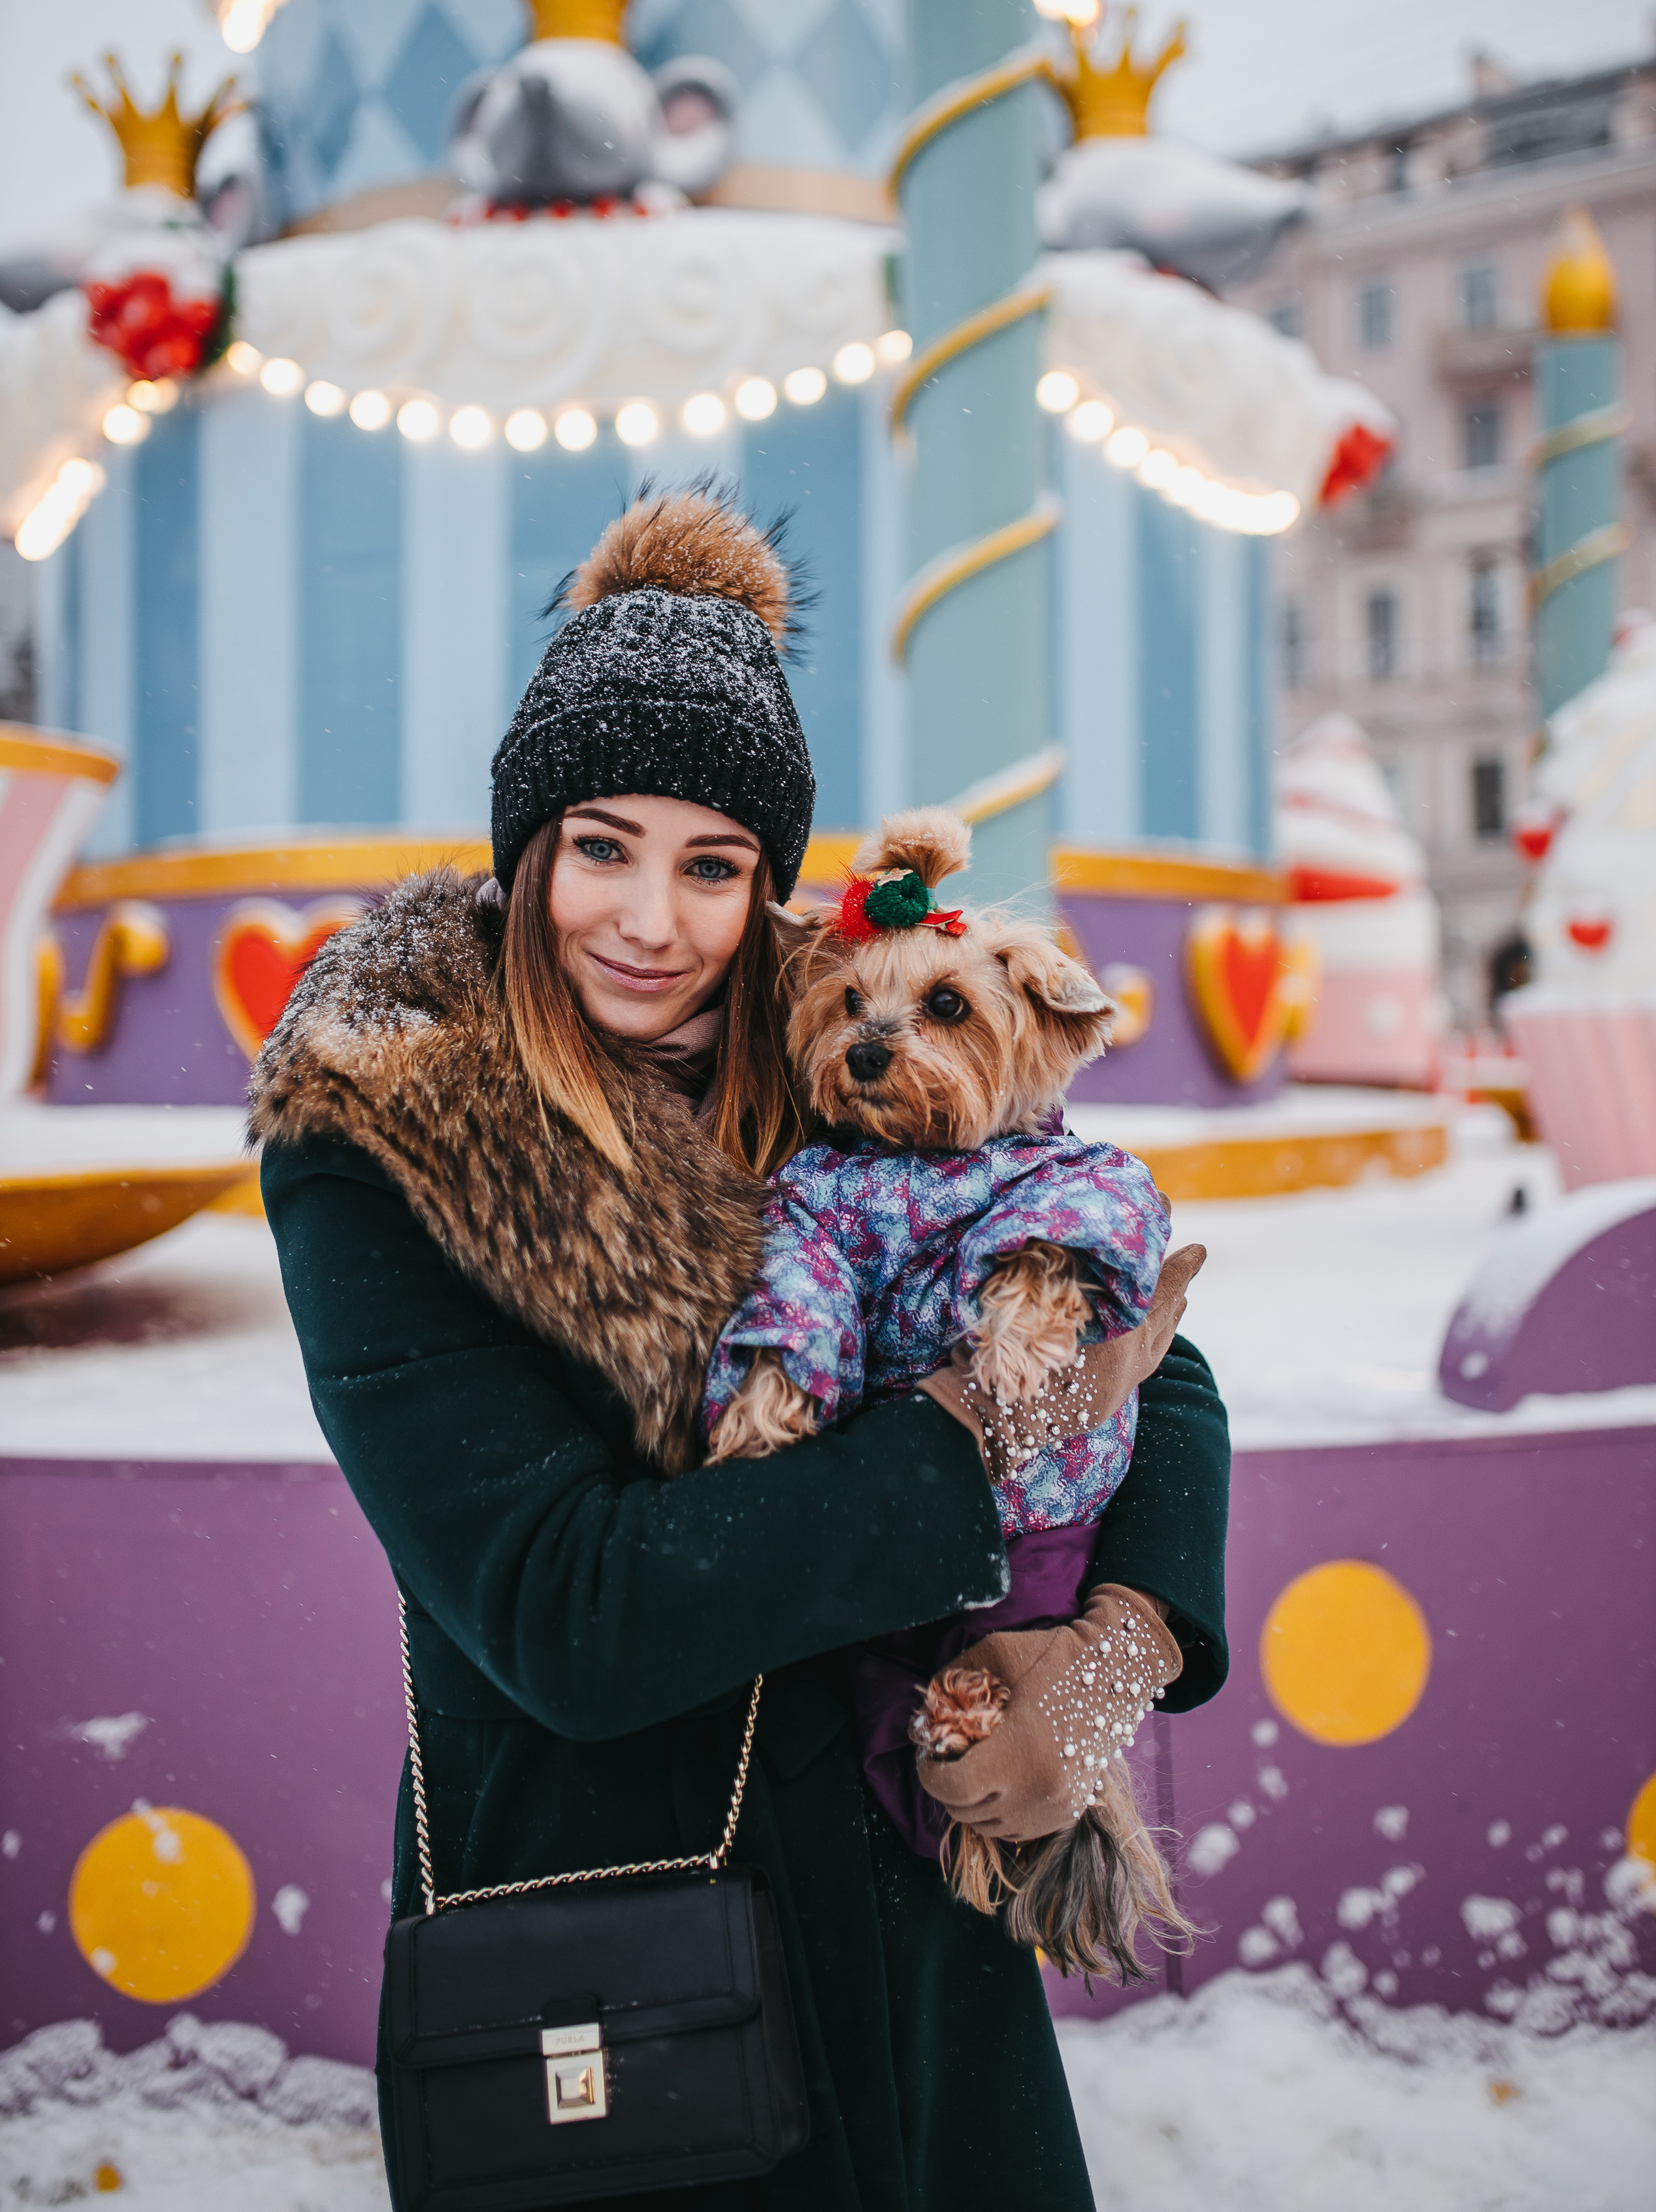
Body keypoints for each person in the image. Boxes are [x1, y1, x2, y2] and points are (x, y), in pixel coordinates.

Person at [256, 489, 1231, 2211]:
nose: (652, 920)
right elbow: (575, 1612)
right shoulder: (384, 1143)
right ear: (529, 845)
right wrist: (960, 1436)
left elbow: (1143, 1347)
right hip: (618, 1940)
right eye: (603, 847)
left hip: (908, 1915)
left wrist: (1120, 1641)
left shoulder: (827, 1040)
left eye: (713, 867)